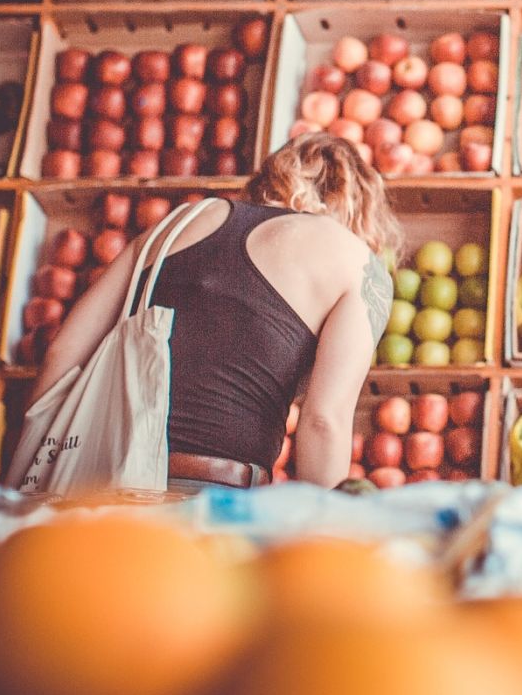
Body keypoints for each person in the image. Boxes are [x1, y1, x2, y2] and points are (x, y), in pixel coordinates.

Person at [22, 132, 399, 490]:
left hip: (99, 481)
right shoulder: (357, 262)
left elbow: (61, 354)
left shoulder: (173, 224)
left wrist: (27, 472)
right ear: (359, 208)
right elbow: (323, 421)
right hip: (214, 497)